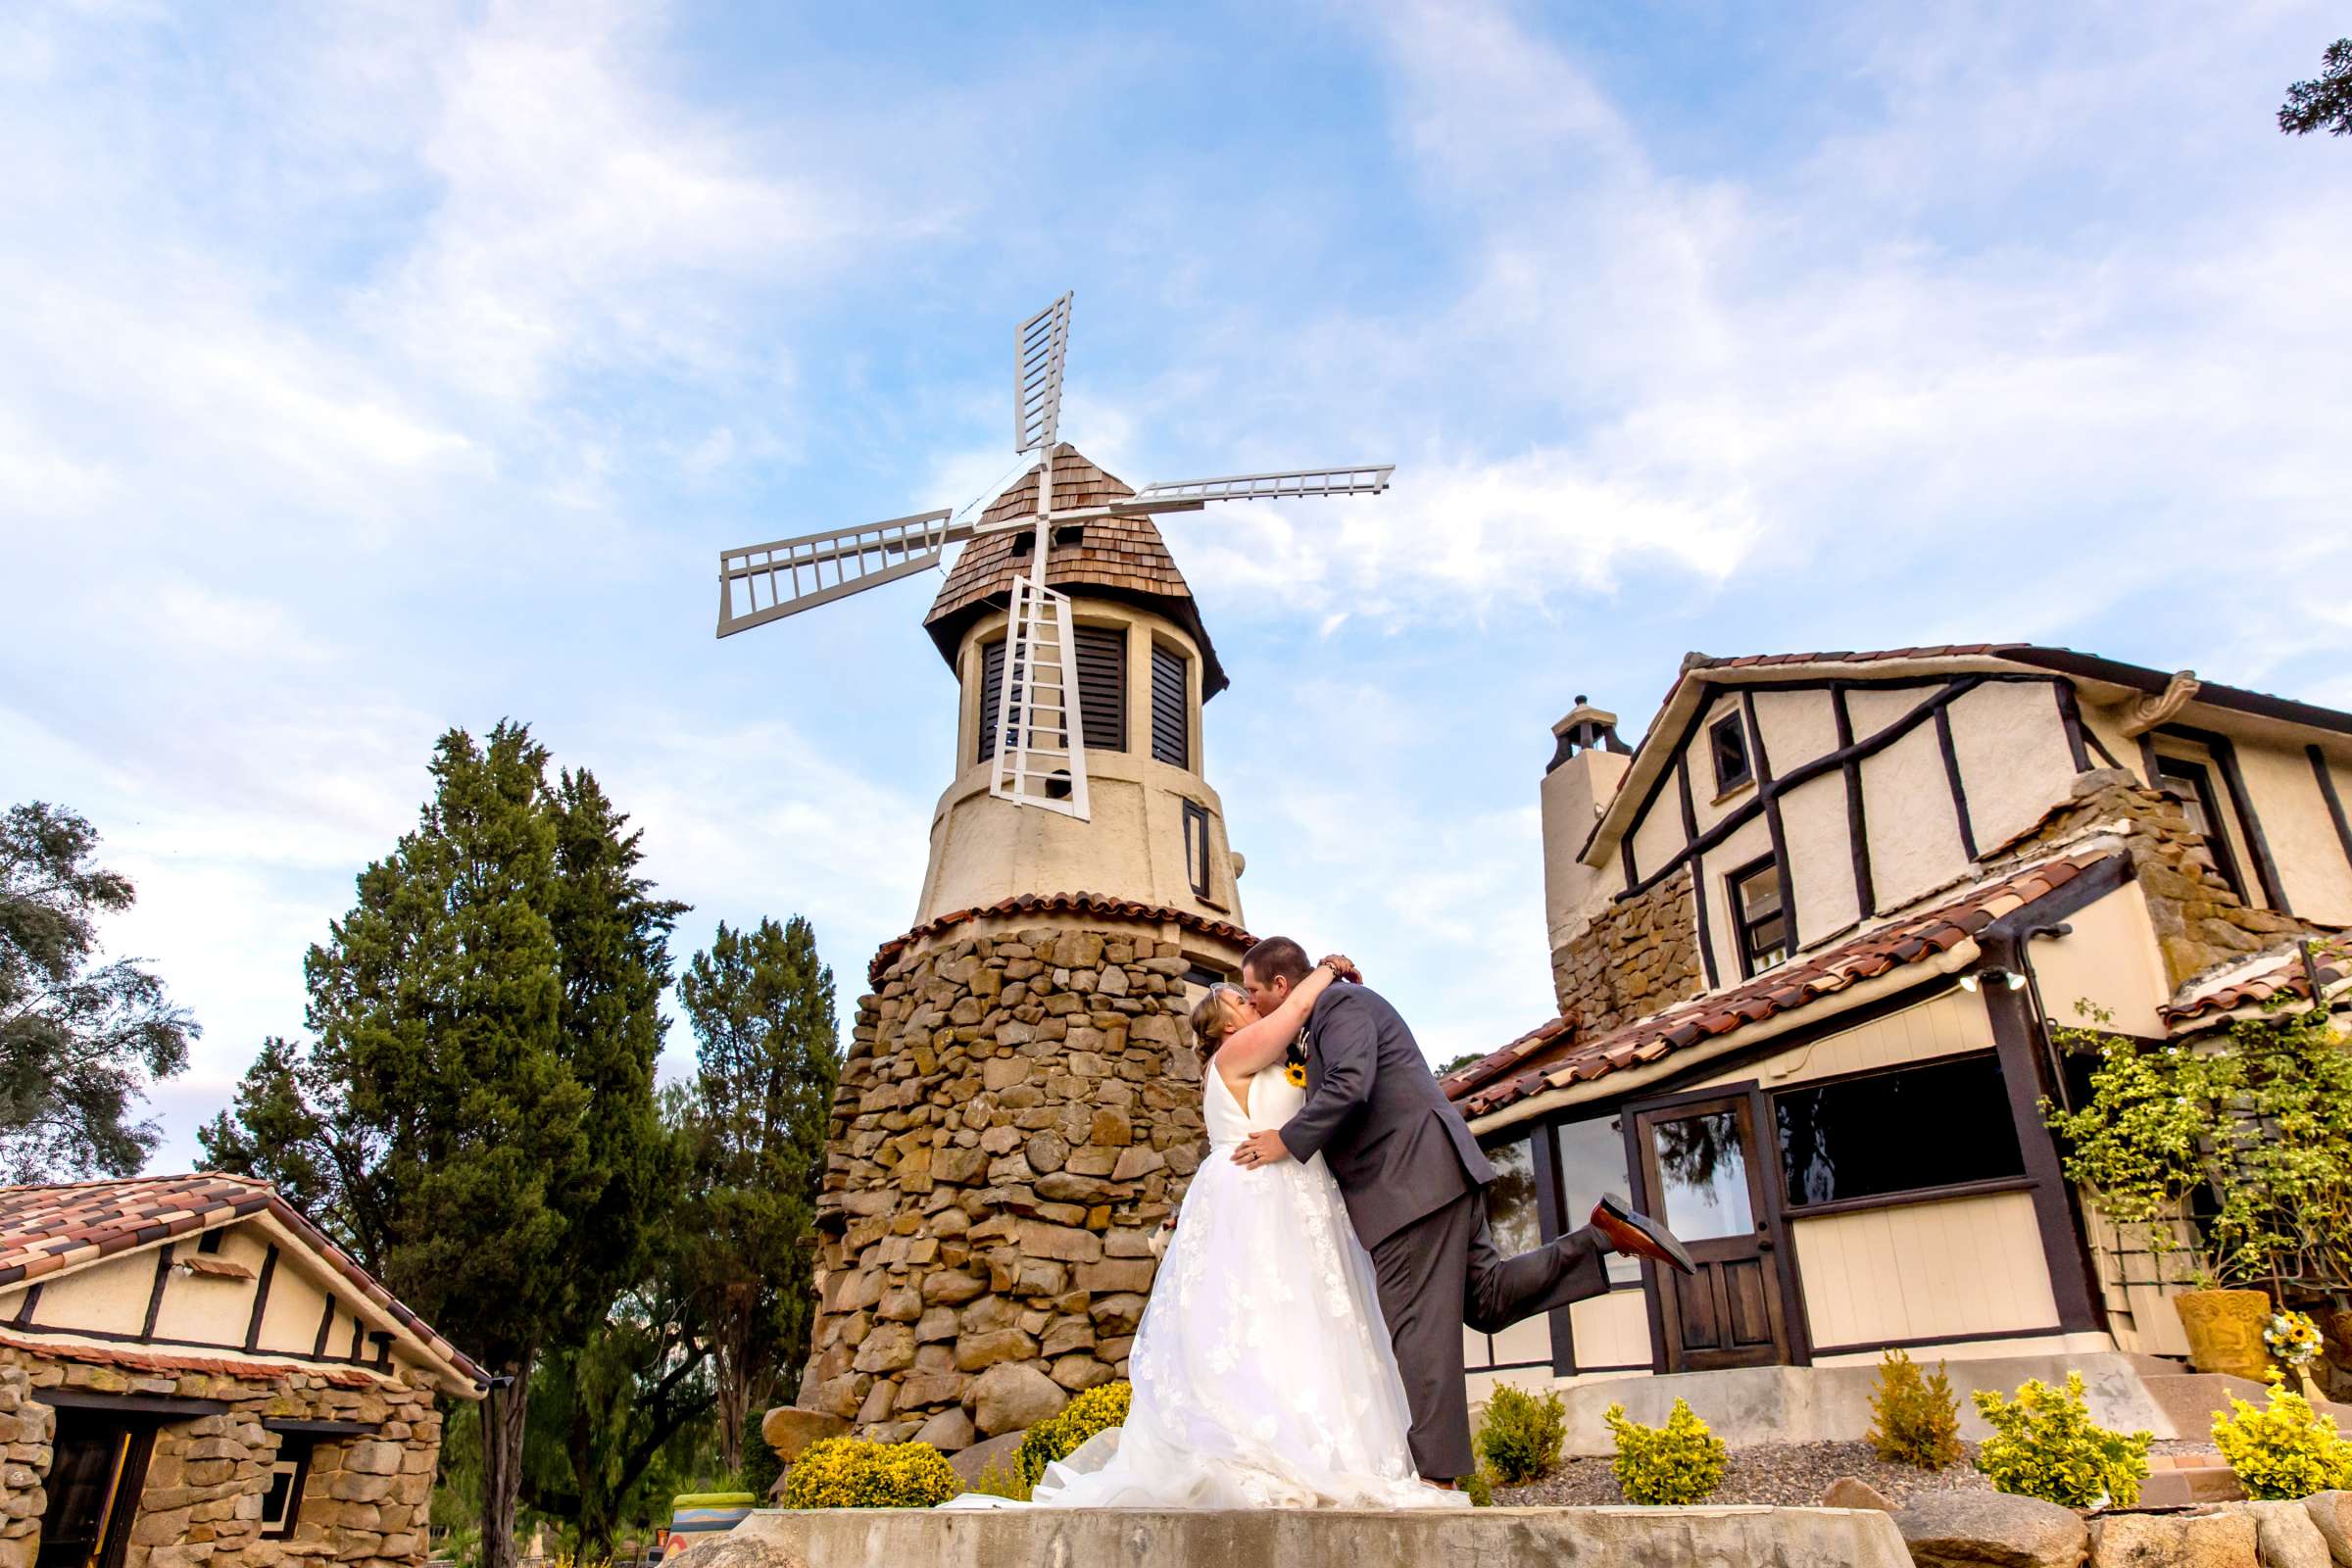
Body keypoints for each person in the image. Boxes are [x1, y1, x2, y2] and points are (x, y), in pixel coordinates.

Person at [944, 953, 1460, 1510]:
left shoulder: (1271, 1062)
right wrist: (1328, 969)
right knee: (1262, 1315)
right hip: (1257, 1196)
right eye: (1244, 998)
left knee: (1303, 1318)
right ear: (1231, 1025)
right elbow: (1298, 1006)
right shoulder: (1233, 1054)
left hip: (1295, 1195)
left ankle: (1327, 1442)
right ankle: (1267, 1447)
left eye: (1249, 991)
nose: (1253, 1000)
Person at [1228, 935, 1694, 1486]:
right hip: (1435, 1177)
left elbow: (1351, 1086)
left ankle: (1437, 1481)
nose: (1251, 1003)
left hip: (1409, 1188)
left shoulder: (1341, 1005)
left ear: (1282, 985)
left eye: (1254, 992)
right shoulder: (1321, 1020)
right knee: (1488, 1299)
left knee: (1418, 1331)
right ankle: (1603, 1235)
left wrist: (1286, 1138)